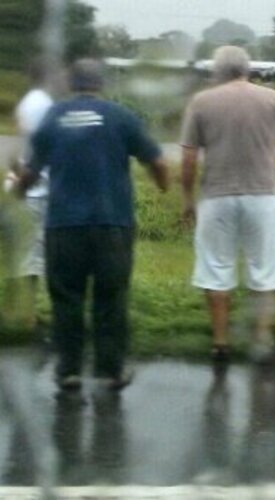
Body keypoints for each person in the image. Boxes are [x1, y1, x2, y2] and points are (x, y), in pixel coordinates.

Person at [16, 58, 170, 391]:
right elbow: (156, 161)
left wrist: (18, 190)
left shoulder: (53, 118)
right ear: (101, 84)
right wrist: (163, 185)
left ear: (71, 83)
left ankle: (68, 371)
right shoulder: (121, 117)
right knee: (111, 297)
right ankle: (110, 371)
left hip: (64, 225)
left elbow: (29, 172)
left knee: (66, 298)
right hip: (111, 223)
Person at [180, 46, 275, 363]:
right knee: (266, 269)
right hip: (262, 195)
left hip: (217, 196)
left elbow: (189, 158)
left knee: (216, 269)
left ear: (217, 71)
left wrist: (188, 200)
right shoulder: (271, 98)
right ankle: (262, 340)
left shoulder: (201, 102)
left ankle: (220, 343)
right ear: (248, 69)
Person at [3, 59, 55, 330]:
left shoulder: (25, 104)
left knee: (24, 252)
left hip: (22, 184)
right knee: (34, 254)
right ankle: (27, 317)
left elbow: (15, 149)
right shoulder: (46, 105)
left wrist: (16, 176)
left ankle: (20, 312)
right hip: (37, 189)